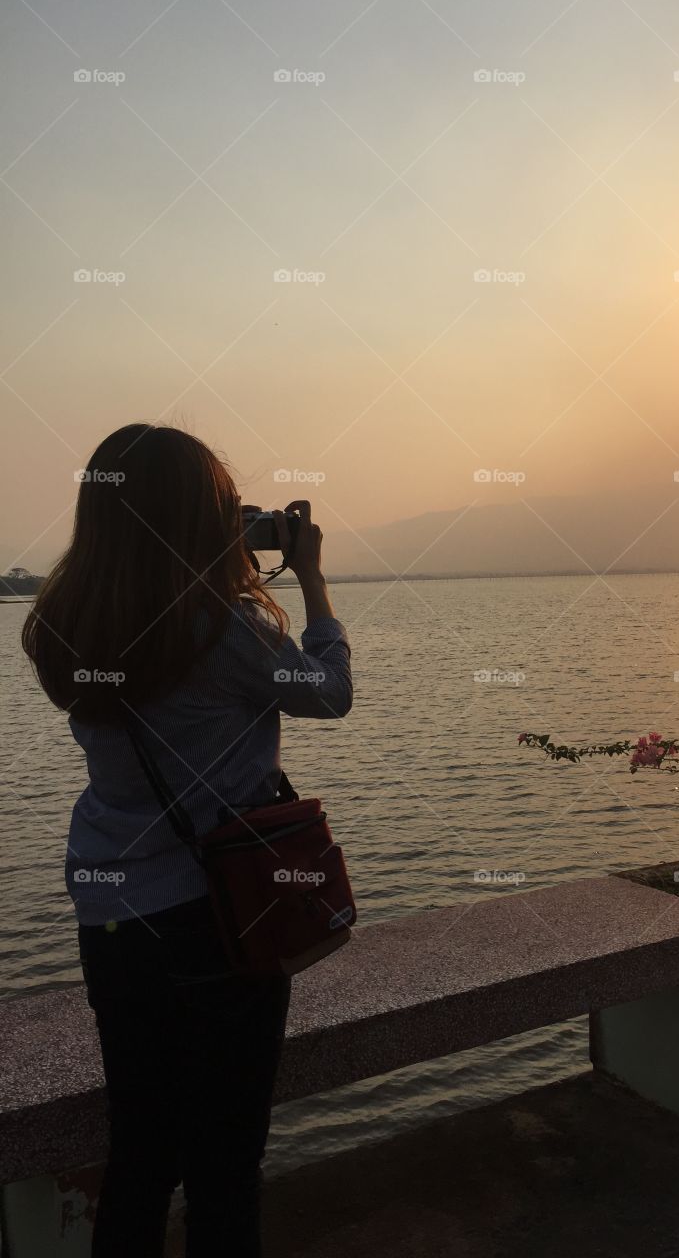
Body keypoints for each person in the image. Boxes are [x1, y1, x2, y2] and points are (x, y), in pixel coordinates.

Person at [21, 423, 353, 1258]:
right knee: (223, 1168)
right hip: (217, 920)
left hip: (112, 921)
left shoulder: (66, 624)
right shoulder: (224, 628)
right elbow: (331, 694)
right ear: (199, 521)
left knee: (140, 1156)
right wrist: (309, 579)